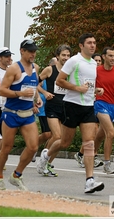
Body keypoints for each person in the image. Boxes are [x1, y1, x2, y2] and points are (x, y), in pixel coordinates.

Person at [37, 33, 105, 194]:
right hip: (72, 105)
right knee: (64, 142)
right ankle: (46, 155)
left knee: (89, 142)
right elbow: (60, 81)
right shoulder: (74, 60)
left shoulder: (93, 64)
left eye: (94, 42)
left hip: (88, 106)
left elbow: (86, 85)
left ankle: (90, 180)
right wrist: (77, 89)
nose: (93, 45)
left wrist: (96, 90)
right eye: (89, 42)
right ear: (81, 45)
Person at [0, 39, 43, 191]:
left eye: (34, 51)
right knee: (6, 148)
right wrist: (20, 93)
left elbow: (34, 87)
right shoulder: (14, 69)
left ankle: (16, 175)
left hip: (28, 113)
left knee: (33, 147)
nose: (32, 54)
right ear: (22, 51)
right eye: (29, 51)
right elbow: (2, 90)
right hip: (11, 113)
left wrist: (37, 98)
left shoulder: (36, 67)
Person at [75, 47, 114, 174]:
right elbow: (87, 84)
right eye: (110, 56)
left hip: (113, 106)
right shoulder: (96, 70)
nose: (113, 58)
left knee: (99, 136)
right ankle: (107, 164)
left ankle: (86, 155)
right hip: (99, 103)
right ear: (104, 57)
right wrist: (94, 90)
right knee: (110, 133)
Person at [37, 44, 72, 176]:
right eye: (63, 55)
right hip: (52, 107)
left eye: (68, 55)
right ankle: (44, 160)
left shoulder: (71, 71)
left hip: (66, 107)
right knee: (56, 135)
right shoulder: (49, 69)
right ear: (57, 56)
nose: (66, 58)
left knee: (62, 140)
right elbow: (36, 83)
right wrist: (44, 93)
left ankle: (48, 162)